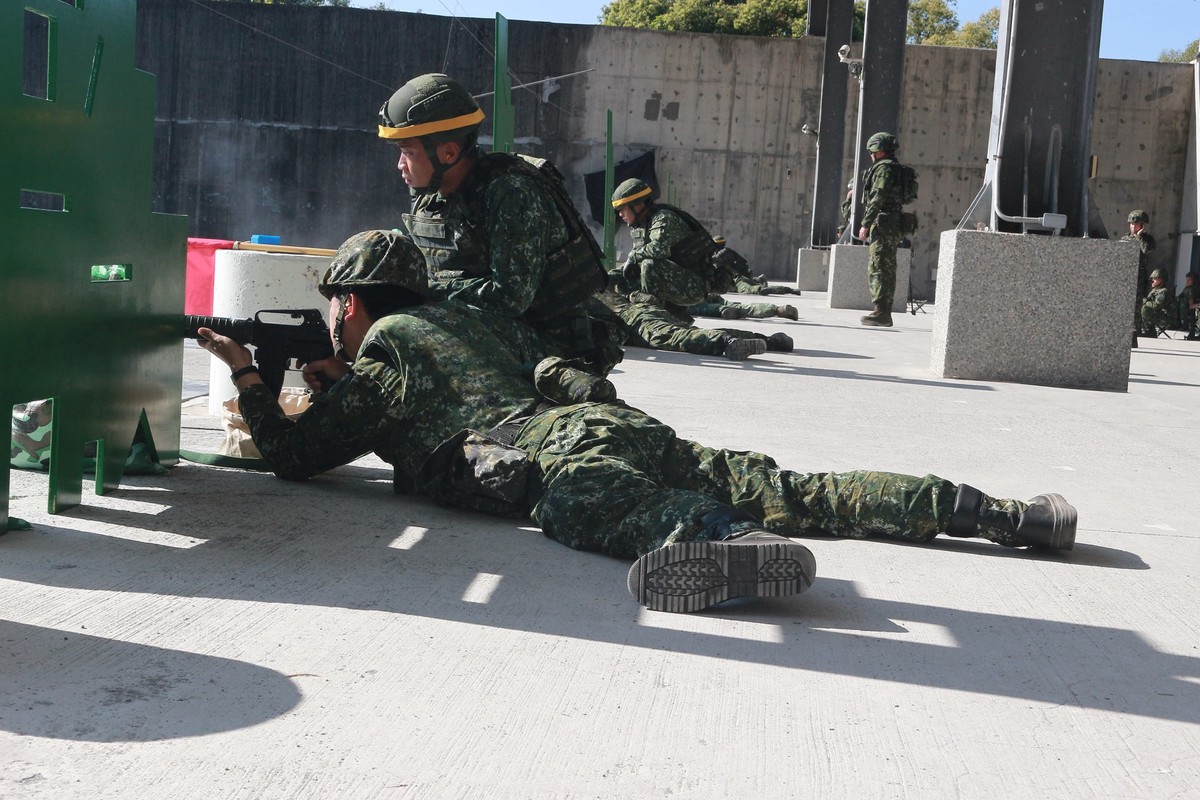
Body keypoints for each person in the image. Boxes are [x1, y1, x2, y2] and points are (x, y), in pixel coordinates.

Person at [196, 230, 1079, 615]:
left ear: (352, 300)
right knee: (791, 486)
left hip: (557, 450)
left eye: (338, 311)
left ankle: (716, 548)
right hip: (611, 422)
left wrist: (247, 376)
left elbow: (296, 457)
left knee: (581, 511)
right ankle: (999, 512)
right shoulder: (470, 316)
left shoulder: (385, 346)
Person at [377, 72, 619, 374]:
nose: (400, 165)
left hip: (553, 349)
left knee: (418, 327)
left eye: (408, 153)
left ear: (448, 152)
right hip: (497, 332)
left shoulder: (510, 191)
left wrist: (426, 289)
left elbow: (510, 298)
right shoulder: (431, 194)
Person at [856, 132, 917, 328]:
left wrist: (866, 223)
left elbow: (878, 197)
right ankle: (883, 311)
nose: (871, 155)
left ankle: (882, 313)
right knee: (887, 266)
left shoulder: (883, 169)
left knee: (879, 266)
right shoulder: (897, 169)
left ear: (879, 150)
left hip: (884, 222)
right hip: (894, 220)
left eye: (872, 151)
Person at [711, 237, 801, 296]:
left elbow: (714, 260)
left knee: (746, 289)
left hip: (739, 279)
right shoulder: (723, 252)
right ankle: (790, 290)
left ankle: (760, 289)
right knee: (753, 283)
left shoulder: (724, 252)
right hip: (737, 279)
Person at [1123, 209, 1156, 342]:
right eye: (1131, 224)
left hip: (1138, 280)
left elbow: (1146, 250)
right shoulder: (1125, 239)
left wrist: (1139, 237)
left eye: (1136, 224)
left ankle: (1133, 337)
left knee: (1135, 310)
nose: (1133, 226)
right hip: (1125, 278)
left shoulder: (1148, 240)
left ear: (1142, 226)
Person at [1139, 268, 1175, 336]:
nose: (1152, 281)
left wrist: (1145, 302)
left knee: (1145, 308)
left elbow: (1157, 306)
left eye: (1155, 279)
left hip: (1166, 317)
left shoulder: (1163, 292)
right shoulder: (1155, 290)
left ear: (1162, 280)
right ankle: (1142, 329)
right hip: (1159, 313)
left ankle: (1150, 331)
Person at [1176, 271, 1198, 340]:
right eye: (1187, 279)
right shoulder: (1187, 289)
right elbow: (1179, 297)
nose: (1187, 281)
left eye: (1189, 280)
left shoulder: (1192, 289)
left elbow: (1192, 305)